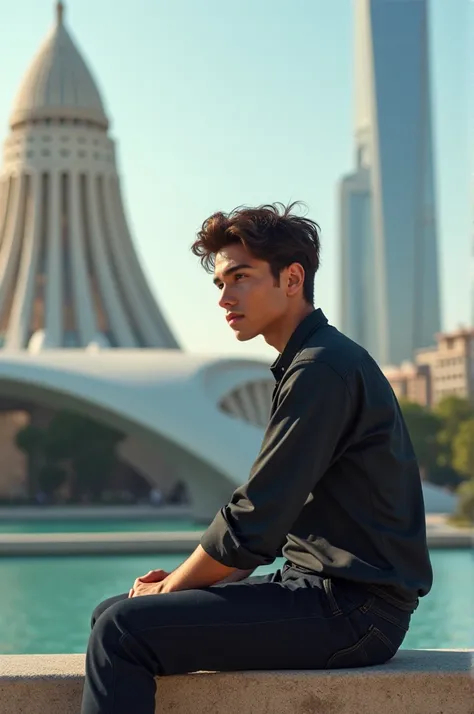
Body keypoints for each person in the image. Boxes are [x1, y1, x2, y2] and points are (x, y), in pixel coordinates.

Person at [80, 202, 432, 713]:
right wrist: (178, 588)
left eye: (240, 278)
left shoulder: (322, 369)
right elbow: (273, 519)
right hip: (316, 590)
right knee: (111, 612)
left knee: (121, 630)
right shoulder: (311, 363)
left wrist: (176, 584)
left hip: (354, 610)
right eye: (220, 283)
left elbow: (255, 517)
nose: (225, 298)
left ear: (292, 279)